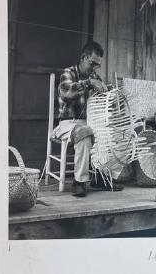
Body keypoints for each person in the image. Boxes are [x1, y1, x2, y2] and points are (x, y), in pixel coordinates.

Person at [52, 41, 123, 197]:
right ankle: (79, 181)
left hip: (89, 123)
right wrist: (89, 83)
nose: (95, 68)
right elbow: (67, 92)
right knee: (84, 132)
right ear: (84, 58)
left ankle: (102, 177)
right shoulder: (68, 73)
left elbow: (103, 101)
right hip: (67, 124)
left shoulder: (95, 77)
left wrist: (111, 94)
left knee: (114, 133)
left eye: (97, 65)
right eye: (92, 63)